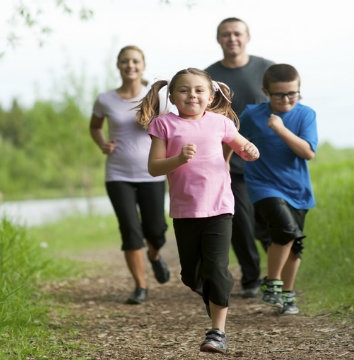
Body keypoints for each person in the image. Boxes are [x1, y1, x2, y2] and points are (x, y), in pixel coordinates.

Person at [135, 68, 260, 353]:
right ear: (173, 97)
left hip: (219, 206)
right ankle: (219, 296)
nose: (192, 95)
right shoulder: (163, 125)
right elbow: (154, 167)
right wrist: (178, 159)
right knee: (191, 275)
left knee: (216, 268)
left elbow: (243, 147)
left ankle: (217, 331)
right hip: (185, 209)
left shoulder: (220, 123)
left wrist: (250, 150)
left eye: (199, 90)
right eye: (184, 90)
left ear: (211, 95)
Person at [89, 45, 171, 305]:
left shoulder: (156, 96)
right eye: (125, 61)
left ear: (143, 65)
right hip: (118, 173)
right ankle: (140, 286)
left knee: (156, 230)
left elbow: (172, 127)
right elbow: (94, 127)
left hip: (152, 173)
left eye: (135, 61)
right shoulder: (105, 99)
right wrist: (102, 143)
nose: (130, 65)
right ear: (118, 66)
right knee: (130, 230)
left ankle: (155, 256)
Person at [238, 64, 317, 316]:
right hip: (263, 186)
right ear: (265, 91)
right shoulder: (251, 115)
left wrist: (281, 129)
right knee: (285, 229)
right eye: (279, 95)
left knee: (293, 242)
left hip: (297, 189)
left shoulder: (306, 115)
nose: (286, 100)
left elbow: (308, 152)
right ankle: (272, 282)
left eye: (292, 94)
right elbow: (232, 137)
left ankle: (288, 295)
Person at [205, 17, 275, 298]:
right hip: (229, 162)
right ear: (218, 39)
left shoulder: (266, 69)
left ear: (247, 37)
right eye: (225, 34)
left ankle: (277, 276)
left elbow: (284, 106)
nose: (231, 38)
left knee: (269, 221)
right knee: (241, 220)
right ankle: (250, 277)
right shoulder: (208, 76)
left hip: (267, 161)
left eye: (237, 34)